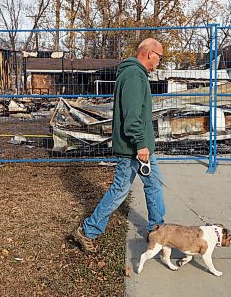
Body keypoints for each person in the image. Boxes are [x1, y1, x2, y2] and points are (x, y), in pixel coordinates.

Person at [71, 38, 166, 253]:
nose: (160, 62)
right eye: (160, 57)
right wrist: (141, 144)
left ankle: (157, 230)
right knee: (120, 191)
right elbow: (131, 117)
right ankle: (88, 230)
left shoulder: (136, 74)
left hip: (140, 148)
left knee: (154, 185)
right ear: (149, 53)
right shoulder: (134, 75)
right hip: (134, 148)